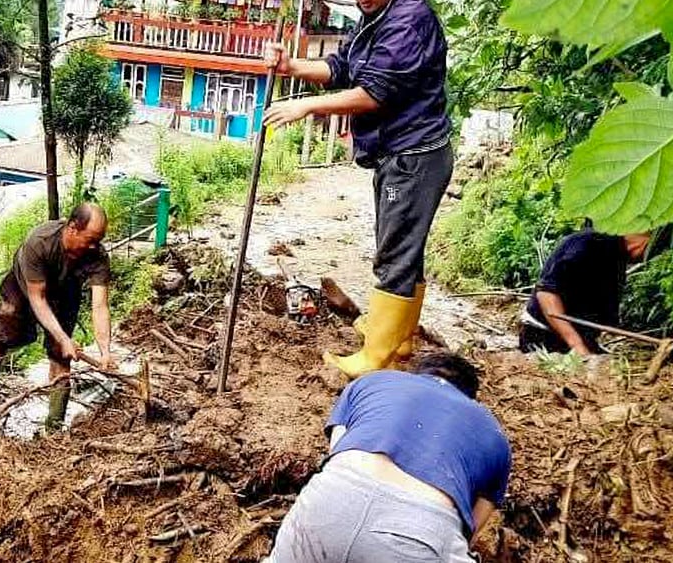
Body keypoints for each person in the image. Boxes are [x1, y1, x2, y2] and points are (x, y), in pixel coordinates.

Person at [262, 0, 452, 377]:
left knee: (394, 255)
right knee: (406, 250)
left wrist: (305, 106)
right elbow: (342, 67)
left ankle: (376, 358)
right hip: (399, 152)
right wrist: (292, 66)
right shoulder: (375, 14)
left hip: (415, 154)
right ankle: (400, 339)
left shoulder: (409, 21)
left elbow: (373, 94)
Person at [266, 353, 510, 563]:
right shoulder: (493, 432)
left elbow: (336, 451)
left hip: (329, 502)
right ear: (471, 397)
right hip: (421, 530)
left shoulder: (372, 382)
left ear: (413, 374)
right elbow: (471, 530)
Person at [0, 203, 116, 430]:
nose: (94, 246)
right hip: (23, 287)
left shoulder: (96, 255)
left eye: (98, 240)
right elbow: (37, 299)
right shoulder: (40, 242)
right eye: (90, 239)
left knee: (61, 357)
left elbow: (100, 306)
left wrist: (105, 351)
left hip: (64, 294)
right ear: (72, 229)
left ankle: (54, 425)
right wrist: (63, 337)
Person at [520, 229, 652, 356]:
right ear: (641, 244)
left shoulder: (616, 257)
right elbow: (546, 294)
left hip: (579, 337)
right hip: (544, 336)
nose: (644, 260)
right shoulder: (588, 245)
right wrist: (577, 346)